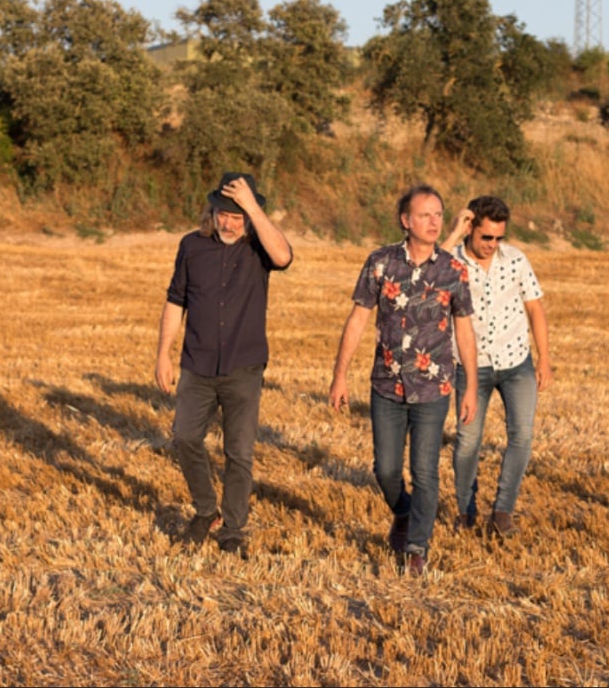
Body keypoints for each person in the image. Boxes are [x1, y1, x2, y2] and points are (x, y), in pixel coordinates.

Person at [329, 184, 478, 577]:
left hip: (434, 387)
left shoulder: (453, 270)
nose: (434, 222)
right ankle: (403, 511)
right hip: (386, 385)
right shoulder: (380, 263)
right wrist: (339, 376)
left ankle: (417, 548)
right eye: (425, 215)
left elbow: (464, 331)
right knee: (386, 470)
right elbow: (358, 319)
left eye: (438, 215)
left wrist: (471, 387)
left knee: (425, 471)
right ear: (405, 221)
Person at [155, 172, 293, 558]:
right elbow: (175, 301)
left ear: (249, 216)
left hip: (243, 366)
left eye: (237, 215)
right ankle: (205, 510)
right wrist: (163, 353)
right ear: (210, 211)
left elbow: (284, 257)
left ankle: (233, 527)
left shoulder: (259, 247)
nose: (228, 222)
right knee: (184, 437)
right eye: (222, 213)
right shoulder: (191, 246)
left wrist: (252, 207)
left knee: (239, 453)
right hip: (196, 363)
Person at [439, 195, 553, 538]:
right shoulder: (451, 261)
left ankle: (503, 511)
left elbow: (535, 309)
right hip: (471, 367)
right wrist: (454, 234)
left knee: (522, 438)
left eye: (498, 238)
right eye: (486, 236)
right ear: (471, 228)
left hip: (517, 362)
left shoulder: (516, 260)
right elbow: (423, 276)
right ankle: (464, 510)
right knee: (468, 441)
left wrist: (544, 360)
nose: (492, 244)